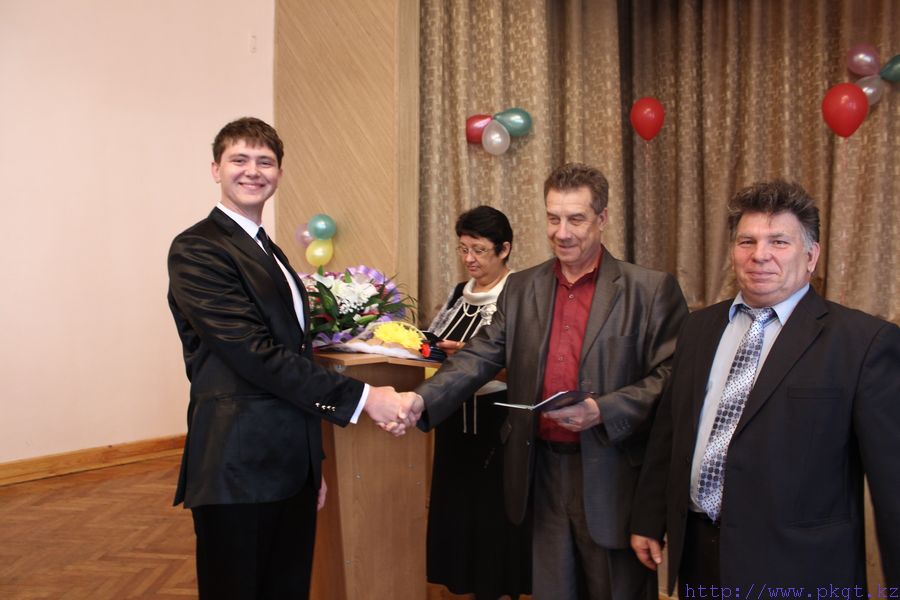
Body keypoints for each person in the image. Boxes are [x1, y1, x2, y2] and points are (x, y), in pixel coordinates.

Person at [407, 163, 689, 599]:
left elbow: (671, 377)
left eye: (576, 219)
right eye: (553, 218)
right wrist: (419, 402)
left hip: (612, 474)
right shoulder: (522, 288)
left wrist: (602, 409)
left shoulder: (649, 291)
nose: (562, 232)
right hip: (538, 474)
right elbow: (479, 355)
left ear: (602, 218)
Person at [167, 117, 415, 600]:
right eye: (239, 159)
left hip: (288, 467)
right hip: (237, 466)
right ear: (215, 169)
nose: (252, 171)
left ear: (279, 173)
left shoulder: (270, 251)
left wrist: (311, 465)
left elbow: (295, 354)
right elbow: (255, 356)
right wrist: (367, 398)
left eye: (265, 161)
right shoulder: (197, 249)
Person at [630, 181, 900, 595]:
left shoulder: (863, 343)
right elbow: (670, 430)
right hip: (700, 555)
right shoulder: (698, 328)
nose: (760, 255)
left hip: (801, 569)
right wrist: (650, 518)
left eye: (779, 241)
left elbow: (892, 483)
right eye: (747, 241)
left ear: (811, 256)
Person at [425, 205, 531, 599]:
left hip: (497, 423)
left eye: (479, 250)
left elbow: (529, 368)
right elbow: (436, 341)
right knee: (458, 513)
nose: (469, 259)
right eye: (463, 249)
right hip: (454, 419)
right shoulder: (459, 293)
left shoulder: (519, 293)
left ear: (504, 249)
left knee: (493, 516)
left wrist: (474, 360)